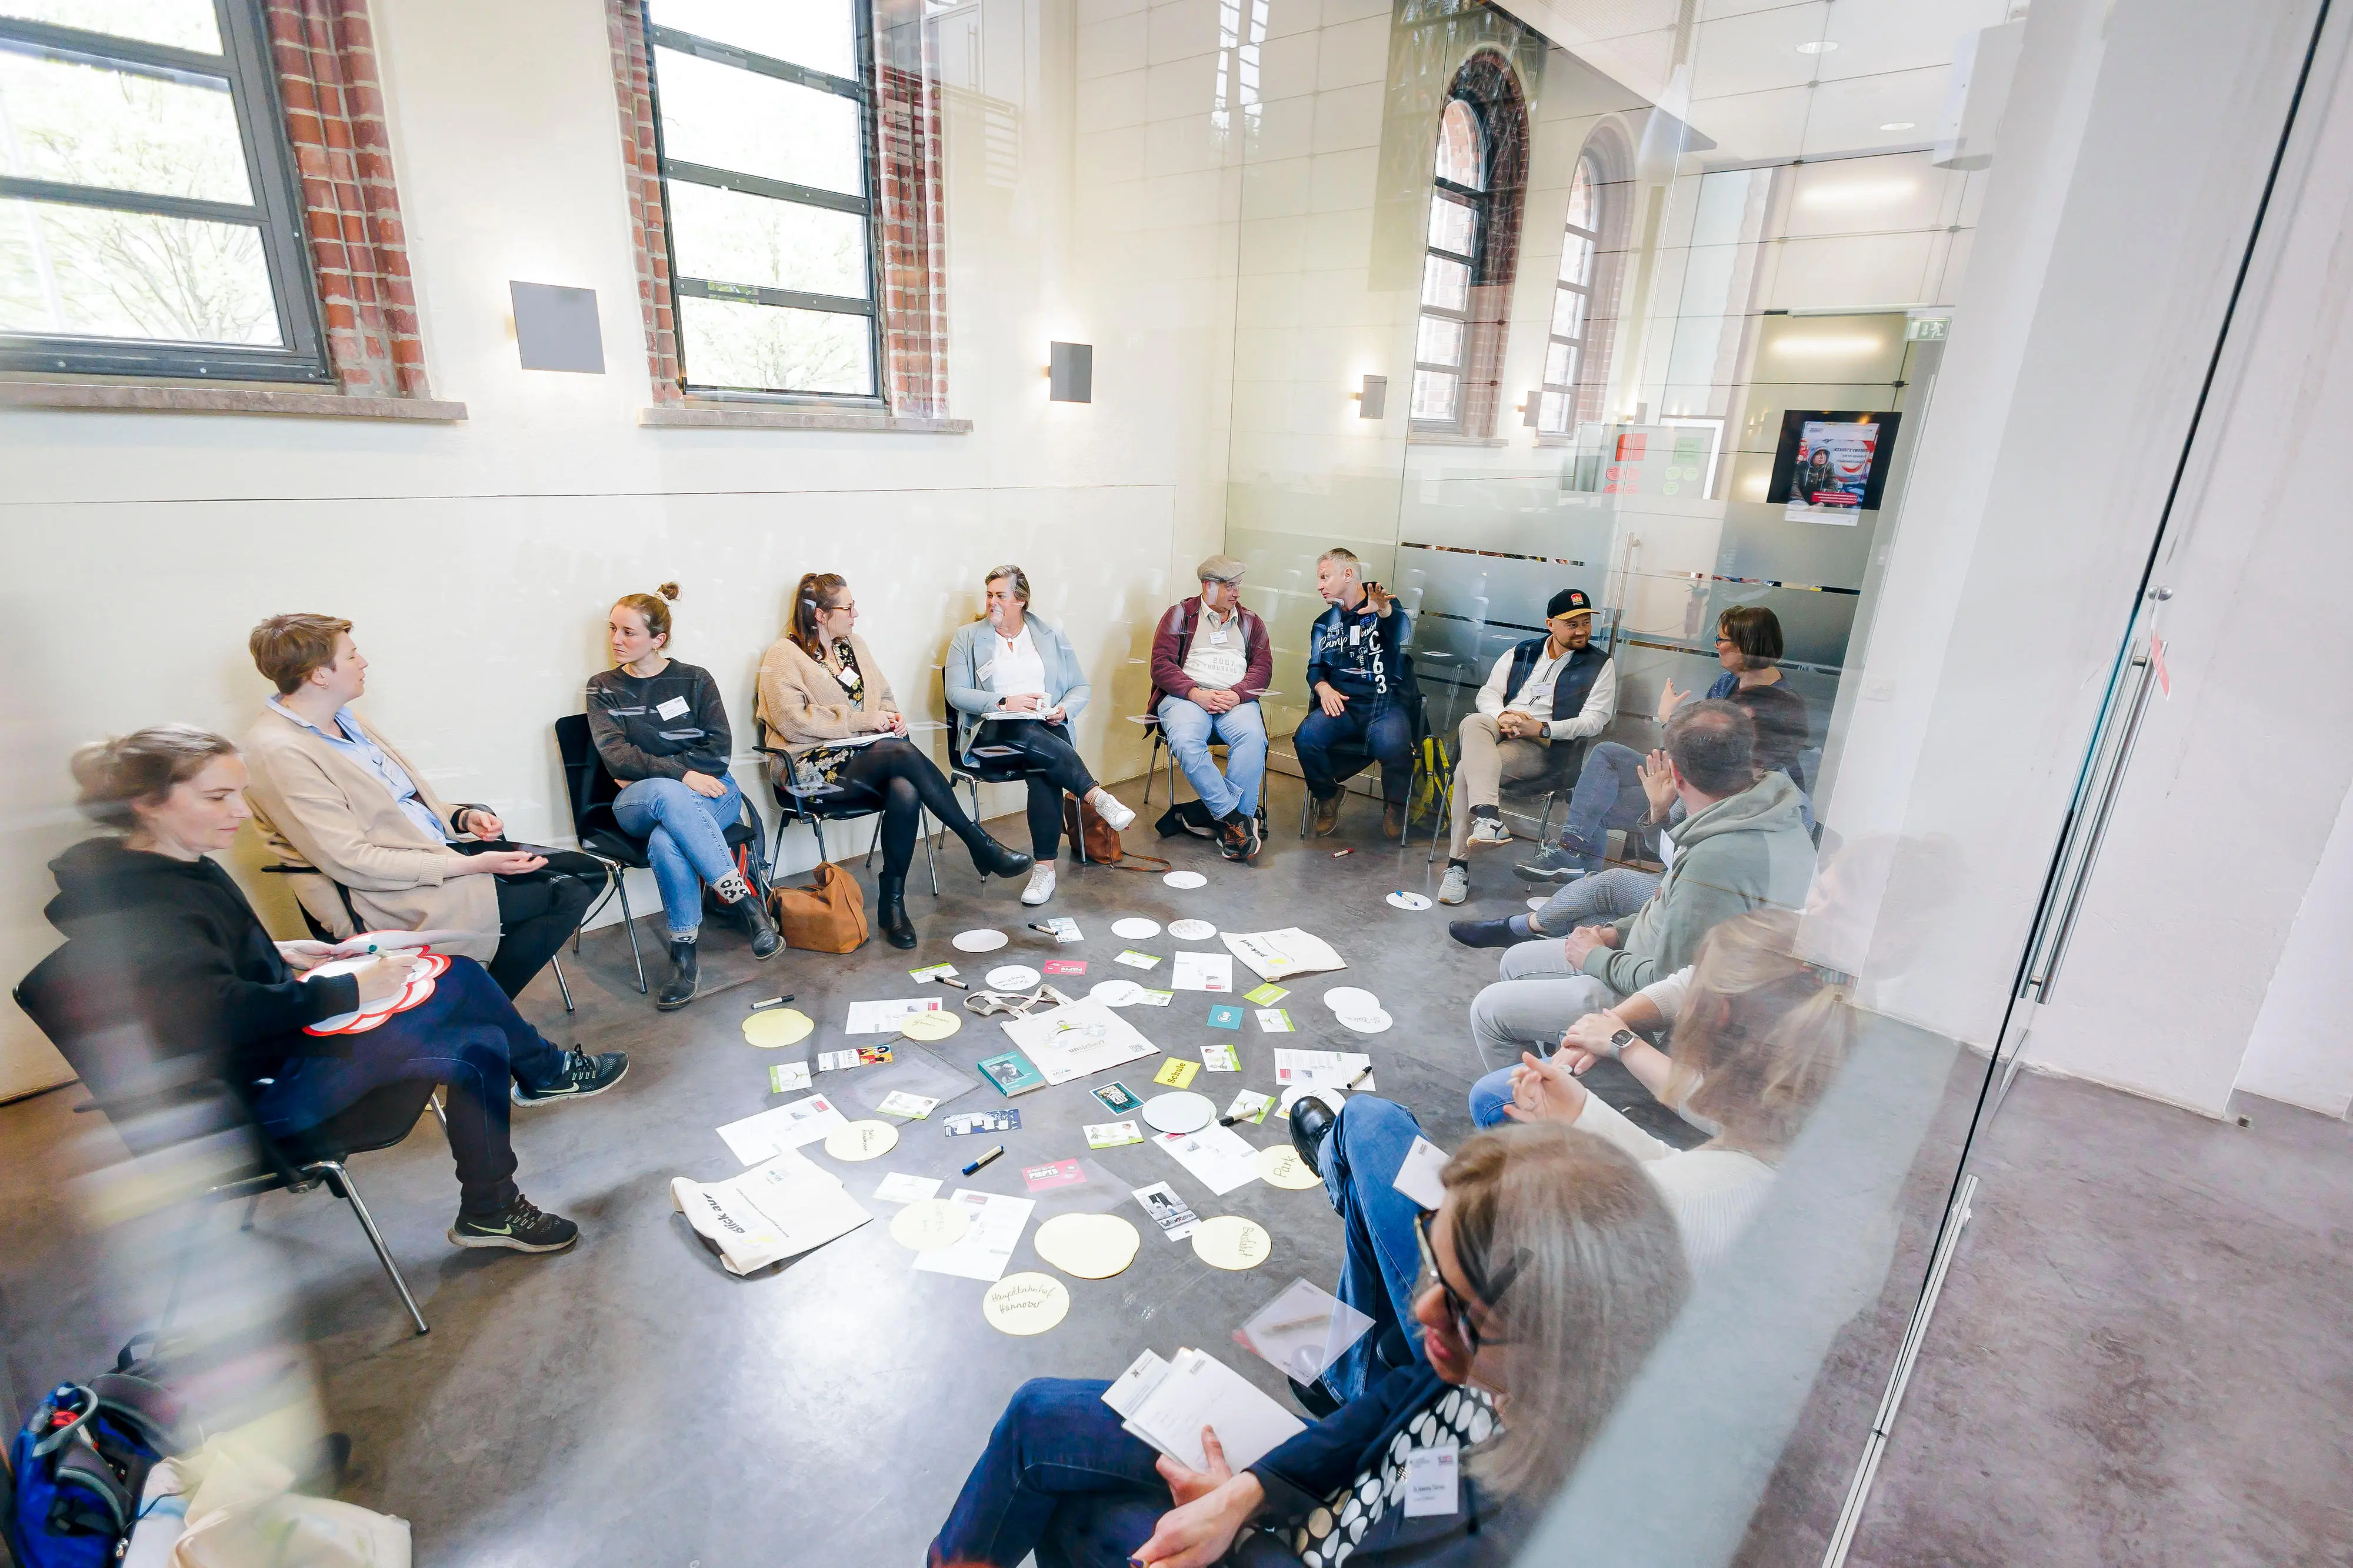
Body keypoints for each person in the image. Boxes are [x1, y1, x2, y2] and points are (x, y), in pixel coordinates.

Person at [926, 1121, 1688, 1568]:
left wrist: (1239, 1533)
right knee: (1040, 1413)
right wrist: (1247, 1492)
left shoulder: (1527, 1523)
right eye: (1434, 1265)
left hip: (1320, 1549)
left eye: (1460, 1304)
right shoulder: (1497, 1362)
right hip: (1327, 1499)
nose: (1424, 1307)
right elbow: (1388, 1405)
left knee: (1080, 1521)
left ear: (1560, 1343)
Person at [45, 727, 624, 1253]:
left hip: (271, 1060)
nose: (240, 811)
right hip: (249, 1102)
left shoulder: (173, 866)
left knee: (478, 1040)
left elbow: (198, 972)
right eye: (218, 797)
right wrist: (352, 988)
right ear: (148, 803)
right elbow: (219, 1014)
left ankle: (493, 1204)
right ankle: (542, 1077)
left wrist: (280, 953)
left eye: (238, 794)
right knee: (455, 979)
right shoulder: (147, 908)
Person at [237, 614, 607, 1005]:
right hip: (386, 890)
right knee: (566, 891)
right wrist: (472, 866)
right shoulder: (278, 752)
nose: (363, 663)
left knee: (588, 873)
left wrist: (460, 817)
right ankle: (475, 1005)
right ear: (318, 675)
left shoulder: (347, 720)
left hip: (436, 852)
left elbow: (393, 802)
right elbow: (352, 861)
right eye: (352, 656)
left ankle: (471, 1001)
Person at [1462, 700, 1815, 1106]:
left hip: (1650, 997)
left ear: (1677, 775)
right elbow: (1672, 902)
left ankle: (1532, 1109)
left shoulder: (1718, 858)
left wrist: (1596, 958)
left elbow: (1670, 982)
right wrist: (1617, 933)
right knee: (1516, 960)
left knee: (1488, 1009)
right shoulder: (1766, 810)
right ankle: (1560, 1063)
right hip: (1641, 958)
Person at [1477, 911, 1852, 1275]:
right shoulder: (1788, 1144)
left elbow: (1520, 1290)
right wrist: (1583, 1113)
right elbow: (1683, 1170)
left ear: (1714, 1014)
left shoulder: (1671, 1208)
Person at [758, 573, 1034, 949]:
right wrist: (864, 721)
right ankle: (977, 843)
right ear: (820, 615)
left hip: (866, 758)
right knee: (900, 754)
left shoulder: (854, 646)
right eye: (848, 608)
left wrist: (891, 718)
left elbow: (883, 696)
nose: (856, 615)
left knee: (904, 787)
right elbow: (793, 721)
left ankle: (893, 903)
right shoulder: (784, 655)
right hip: (806, 770)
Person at [1451, 680, 1814, 950]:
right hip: (1683, 888)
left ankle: (1523, 930)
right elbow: (1670, 855)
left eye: (1737, 725)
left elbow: (1696, 874)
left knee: (1607, 892)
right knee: (1598, 910)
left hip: (1713, 914)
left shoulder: (1784, 805)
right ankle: (1533, 929)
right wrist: (1659, 811)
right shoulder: (1726, 776)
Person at [585, 584, 779, 1011]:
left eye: (628, 632)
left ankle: (684, 956)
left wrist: (655, 768)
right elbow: (616, 756)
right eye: (613, 629)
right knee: (667, 792)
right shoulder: (603, 688)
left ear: (658, 639)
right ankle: (746, 904)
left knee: (666, 840)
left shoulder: (694, 679)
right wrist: (683, 773)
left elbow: (719, 750)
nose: (616, 640)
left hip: (715, 793)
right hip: (641, 802)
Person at [1515, 605, 1793, 885]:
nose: (1717, 647)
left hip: (1709, 794)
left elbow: (1719, 762)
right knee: (1605, 758)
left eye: (1722, 640)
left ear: (1747, 645)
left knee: (1594, 802)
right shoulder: (1729, 682)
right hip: (1685, 772)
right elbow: (1698, 741)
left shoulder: (1776, 706)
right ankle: (1573, 856)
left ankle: (1578, 866)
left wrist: (1669, 721)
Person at [945, 565, 1135, 908]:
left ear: (1021, 600)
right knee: (1029, 735)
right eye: (989, 595)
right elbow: (955, 693)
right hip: (992, 735)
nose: (992, 602)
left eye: (1000, 596)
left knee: (1043, 765)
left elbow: (1080, 687)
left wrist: (1063, 709)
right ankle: (1096, 796)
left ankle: (1044, 870)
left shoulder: (1050, 635)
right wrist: (1004, 702)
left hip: (1045, 730)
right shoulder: (967, 637)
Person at [1437, 588, 1615, 907]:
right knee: (1474, 721)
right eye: (1572, 624)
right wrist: (1502, 715)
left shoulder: (1599, 664)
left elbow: (1595, 721)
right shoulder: (1522, 652)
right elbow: (1489, 693)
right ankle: (1488, 817)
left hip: (1542, 745)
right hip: (1502, 727)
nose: (1582, 631)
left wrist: (1543, 728)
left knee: (1465, 769)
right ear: (1550, 624)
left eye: (1586, 622)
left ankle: (1458, 863)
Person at [1149, 553, 1272, 862]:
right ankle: (1235, 820)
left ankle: (1232, 824)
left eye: (1238, 585)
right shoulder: (1179, 615)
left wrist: (1238, 694)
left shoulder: (1251, 622)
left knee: (1253, 739)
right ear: (1208, 586)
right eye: (1230, 586)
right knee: (1186, 742)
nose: (1237, 593)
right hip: (1187, 697)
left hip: (1235, 699)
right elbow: (1161, 665)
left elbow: (1263, 668)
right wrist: (1194, 693)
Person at [1295, 548, 1422, 839]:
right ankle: (1328, 796)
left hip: (1385, 705)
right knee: (1306, 738)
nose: (1319, 586)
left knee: (1394, 747)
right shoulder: (1324, 622)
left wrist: (1384, 612)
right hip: (1343, 705)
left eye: (1325, 577)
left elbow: (1402, 632)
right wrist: (1323, 688)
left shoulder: (1382, 605)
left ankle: (1396, 807)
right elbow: (1315, 668)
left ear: (1348, 574)